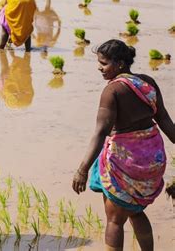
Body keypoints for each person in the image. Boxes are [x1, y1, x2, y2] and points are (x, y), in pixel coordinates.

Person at [72, 39, 175, 251]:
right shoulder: (148, 83)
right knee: (136, 211)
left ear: (119, 64)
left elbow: (100, 133)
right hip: (151, 160)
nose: (99, 68)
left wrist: (82, 170)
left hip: (126, 162)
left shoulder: (112, 91)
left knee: (114, 220)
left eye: (104, 63)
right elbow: (164, 119)